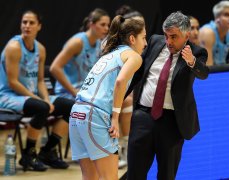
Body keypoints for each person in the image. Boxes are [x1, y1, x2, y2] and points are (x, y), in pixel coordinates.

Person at [126, 11, 209, 180]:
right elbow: (137, 74)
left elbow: (203, 73)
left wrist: (192, 61)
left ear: (186, 35)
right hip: (143, 116)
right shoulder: (154, 42)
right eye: (166, 35)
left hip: (172, 122)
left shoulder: (197, 52)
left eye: (173, 37)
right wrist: (116, 101)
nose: (168, 41)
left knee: (166, 175)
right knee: (135, 173)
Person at [69, 15, 147, 180]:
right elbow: (120, 82)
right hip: (95, 116)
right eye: (144, 37)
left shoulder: (108, 54)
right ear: (132, 38)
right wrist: (115, 118)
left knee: (90, 177)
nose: (146, 43)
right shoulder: (134, 56)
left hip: (76, 114)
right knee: (109, 177)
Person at [0, 10, 74, 171]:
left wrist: (46, 98)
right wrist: (40, 101)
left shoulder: (40, 49)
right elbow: (12, 82)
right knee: (42, 107)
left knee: (72, 107)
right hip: (8, 95)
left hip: (30, 96)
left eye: (31, 23)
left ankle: (47, 151)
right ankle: (28, 155)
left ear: (39, 26)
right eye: (24, 22)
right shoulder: (14, 47)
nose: (27, 26)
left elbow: (40, 80)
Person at [50, 8, 110, 99]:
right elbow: (54, 68)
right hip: (67, 94)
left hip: (85, 94)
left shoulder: (99, 44)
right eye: (103, 25)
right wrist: (73, 91)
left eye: (108, 25)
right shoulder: (77, 42)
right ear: (91, 24)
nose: (107, 28)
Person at [114, 4, 145, 169]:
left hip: (124, 90)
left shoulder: (141, 48)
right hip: (106, 95)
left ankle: (126, 147)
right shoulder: (120, 49)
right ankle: (119, 148)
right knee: (125, 102)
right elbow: (118, 81)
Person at [199, 0, 229, 65]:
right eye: (226, 15)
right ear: (217, 18)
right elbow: (207, 65)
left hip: (221, 70)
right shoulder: (207, 33)